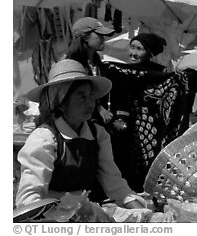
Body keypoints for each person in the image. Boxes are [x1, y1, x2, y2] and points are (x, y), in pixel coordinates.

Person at [15, 59, 146, 210]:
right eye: (81, 96)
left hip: (82, 212)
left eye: (91, 96)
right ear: (61, 101)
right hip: (49, 216)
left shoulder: (98, 134)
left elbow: (113, 182)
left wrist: (141, 213)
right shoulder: (44, 138)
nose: (90, 103)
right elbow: (29, 197)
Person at [103, 32, 197, 192]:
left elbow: (187, 82)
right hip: (124, 132)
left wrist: (186, 79)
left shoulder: (159, 75)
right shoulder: (121, 72)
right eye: (132, 47)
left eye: (139, 49)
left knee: (147, 171)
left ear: (149, 53)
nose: (133, 53)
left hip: (151, 135)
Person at [64, 17, 115, 125]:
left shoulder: (99, 65)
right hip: (78, 123)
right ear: (85, 38)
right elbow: (72, 94)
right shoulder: (71, 65)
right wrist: (98, 108)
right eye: (99, 35)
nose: (103, 39)